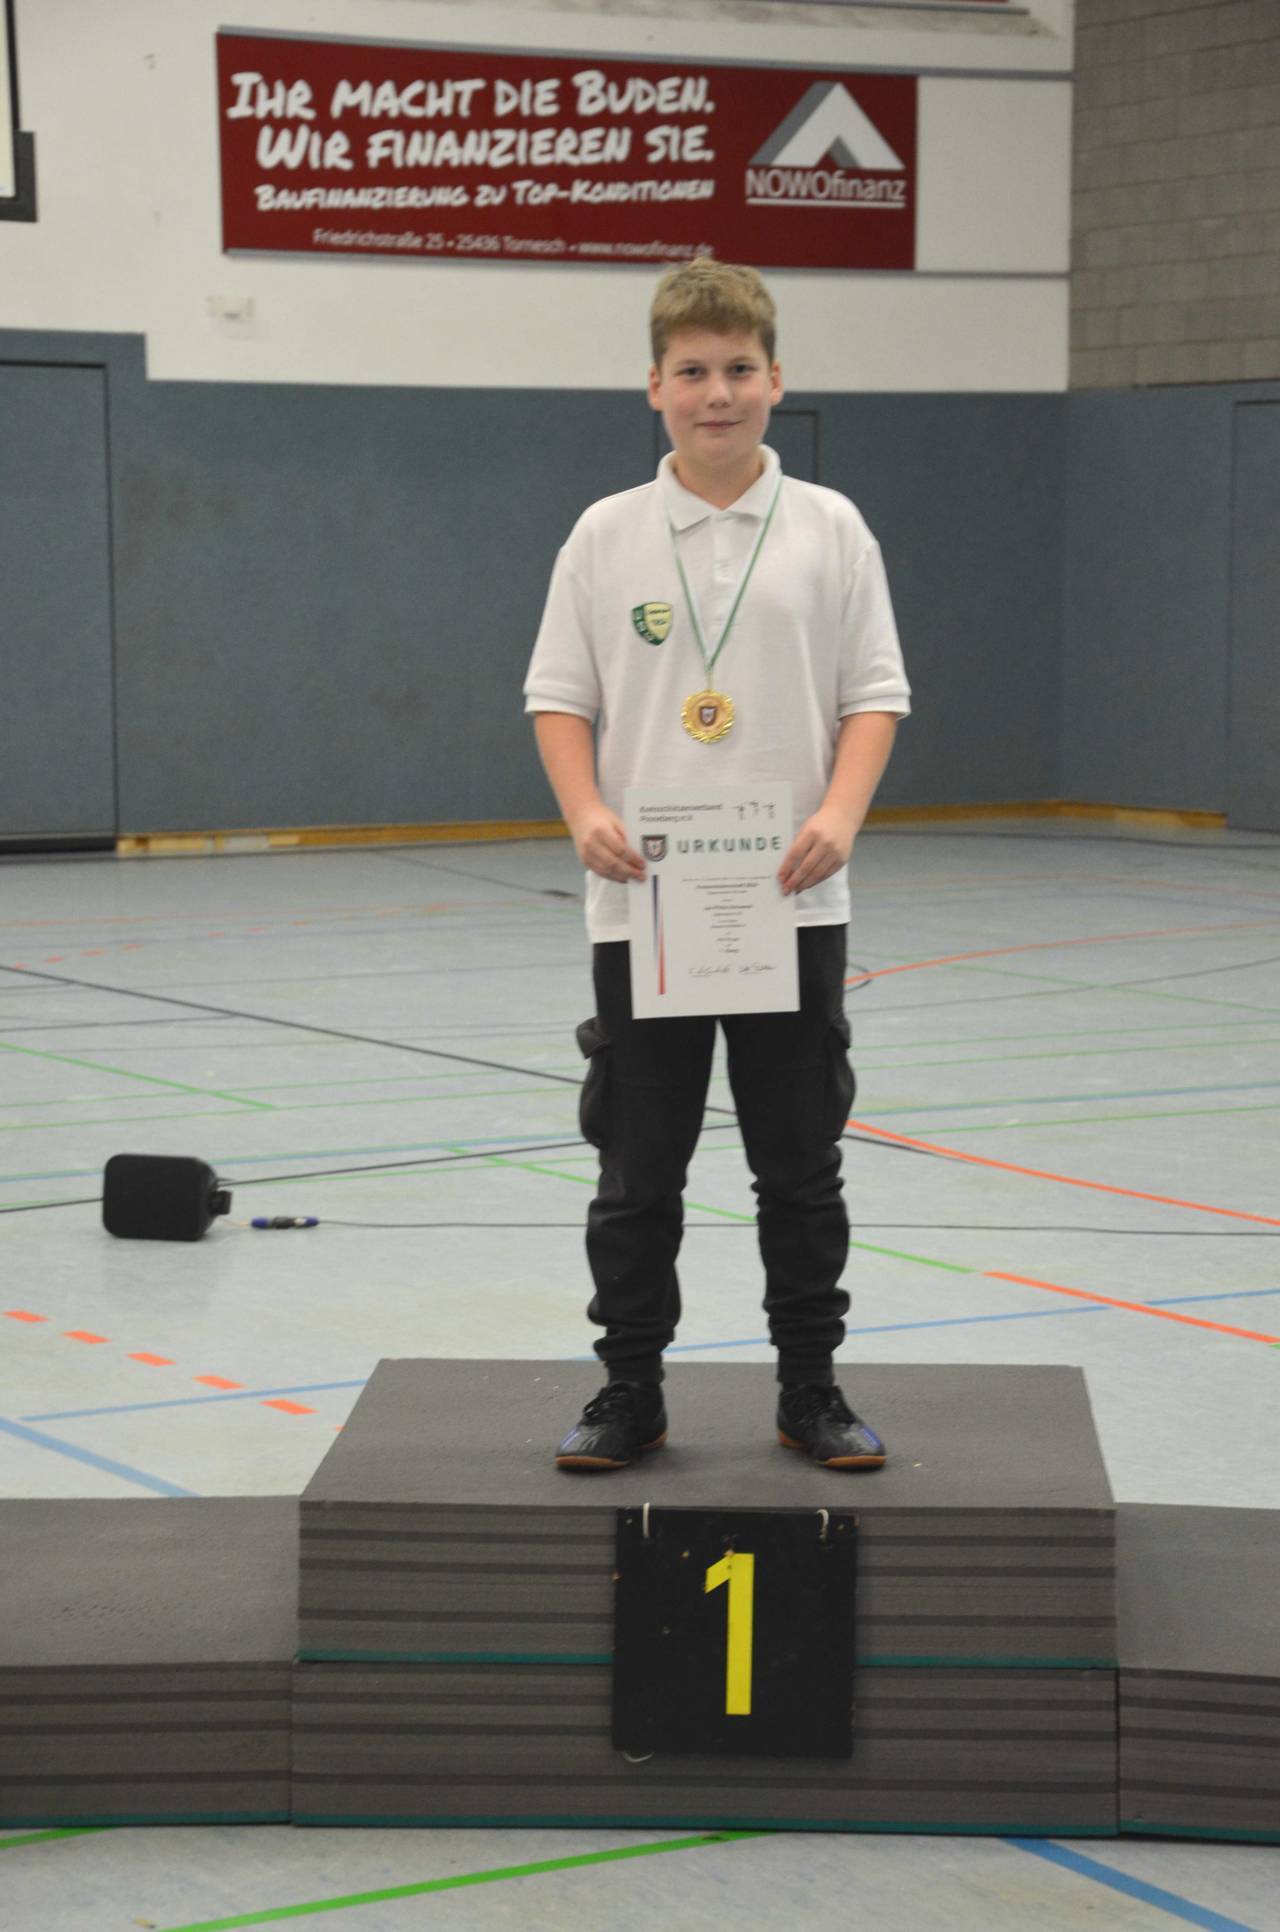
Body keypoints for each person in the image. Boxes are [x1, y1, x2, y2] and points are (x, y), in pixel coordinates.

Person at [524, 258, 910, 1472]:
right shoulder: (603, 534)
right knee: (637, 1169)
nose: (716, 393)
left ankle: (809, 1390)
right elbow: (557, 697)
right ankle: (628, 1391)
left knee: (798, 1166)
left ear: (775, 379)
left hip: (789, 901)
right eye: (691, 371)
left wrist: (838, 814)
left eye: (738, 368)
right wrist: (584, 809)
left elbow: (874, 694)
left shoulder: (830, 528)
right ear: (653, 386)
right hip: (641, 909)